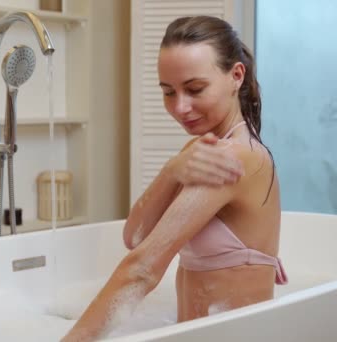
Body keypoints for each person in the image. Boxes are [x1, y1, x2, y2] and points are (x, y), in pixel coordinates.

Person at [62, 15, 287, 341]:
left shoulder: (232, 158)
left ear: (236, 76)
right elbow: (135, 236)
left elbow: (142, 267)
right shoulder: (201, 150)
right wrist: (172, 169)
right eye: (168, 92)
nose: (180, 107)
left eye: (195, 89)